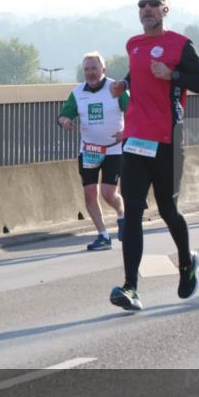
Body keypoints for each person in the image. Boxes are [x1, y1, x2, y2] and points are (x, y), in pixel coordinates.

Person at [108, 0, 199, 312]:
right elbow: (137, 72)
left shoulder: (180, 45)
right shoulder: (134, 45)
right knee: (133, 214)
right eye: (142, 4)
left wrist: (174, 75)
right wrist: (124, 84)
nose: (147, 9)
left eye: (154, 3)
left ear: (165, 9)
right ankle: (131, 288)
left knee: (168, 211)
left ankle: (186, 262)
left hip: (168, 141)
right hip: (135, 141)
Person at [58, 52, 128, 250]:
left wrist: (127, 131)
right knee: (90, 193)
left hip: (113, 149)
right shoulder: (78, 92)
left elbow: (134, 110)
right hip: (89, 150)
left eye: (94, 68)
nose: (90, 73)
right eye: (87, 69)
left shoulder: (116, 88)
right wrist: (65, 121)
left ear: (103, 70)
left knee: (108, 192)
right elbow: (64, 114)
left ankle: (122, 214)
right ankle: (103, 235)